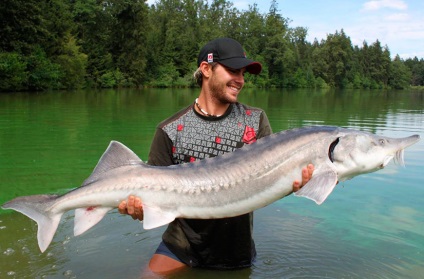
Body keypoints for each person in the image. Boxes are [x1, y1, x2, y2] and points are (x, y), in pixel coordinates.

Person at [118, 38, 314, 274]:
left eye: (243, 73)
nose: (240, 80)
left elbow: (268, 182)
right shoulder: (169, 129)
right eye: (232, 70)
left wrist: (298, 184)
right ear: (206, 69)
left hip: (236, 252)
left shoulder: (255, 120)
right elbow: (153, 198)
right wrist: (140, 210)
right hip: (180, 246)